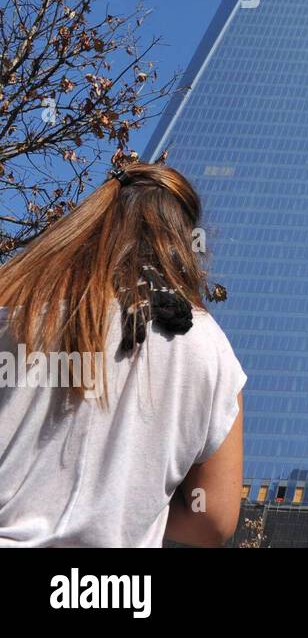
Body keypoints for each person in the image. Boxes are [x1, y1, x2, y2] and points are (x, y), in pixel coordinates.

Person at [0, 162, 246, 547]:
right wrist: (132, 512)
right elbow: (212, 520)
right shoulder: (212, 351)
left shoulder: (16, 306)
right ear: (185, 240)